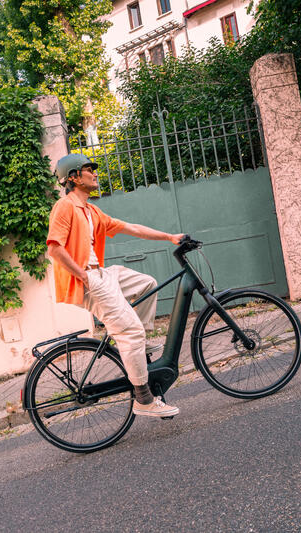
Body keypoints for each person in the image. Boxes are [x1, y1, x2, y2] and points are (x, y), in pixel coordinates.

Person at [46, 153, 184, 417]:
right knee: (130, 332)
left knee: (147, 284)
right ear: (74, 177)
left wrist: (169, 237)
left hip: (102, 273)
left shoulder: (91, 210)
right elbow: (54, 248)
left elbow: (129, 227)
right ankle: (144, 400)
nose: (95, 173)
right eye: (89, 169)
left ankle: (137, 344)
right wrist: (84, 277)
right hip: (87, 278)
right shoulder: (64, 207)